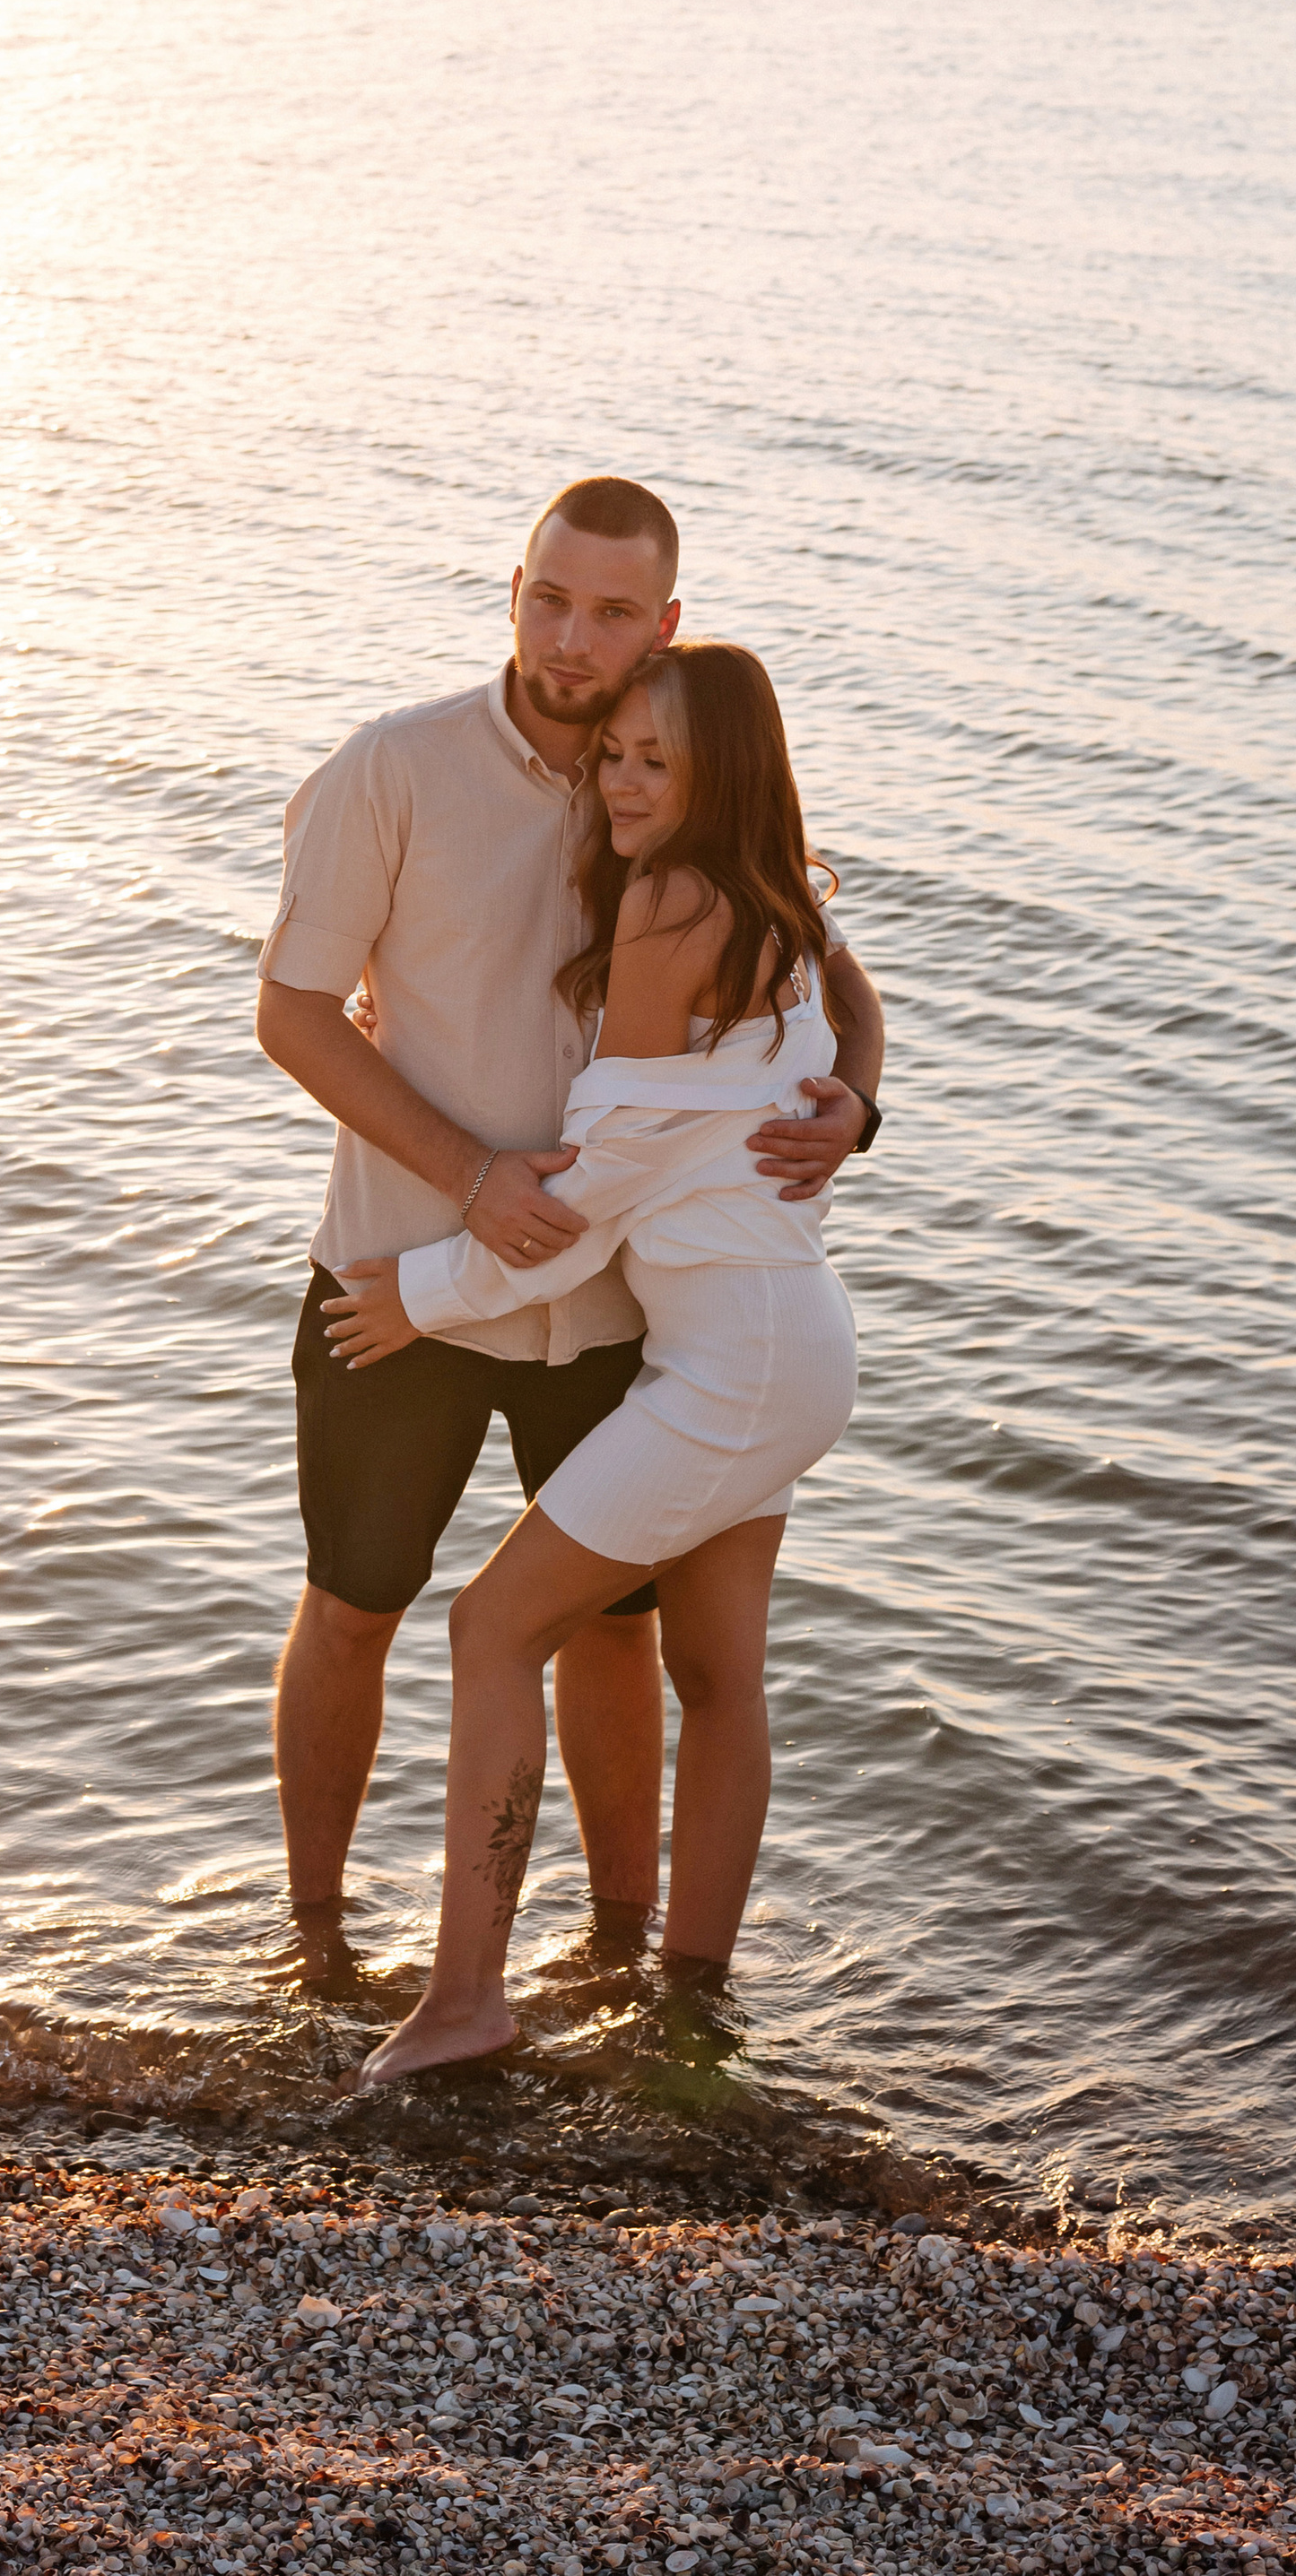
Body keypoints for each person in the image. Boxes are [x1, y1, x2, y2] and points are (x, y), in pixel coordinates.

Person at [256, 480, 883, 1951]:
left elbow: (832, 959)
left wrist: (855, 1098)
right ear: (513, 585)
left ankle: (614, 1944)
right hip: (400, 1268)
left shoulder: (678, 767)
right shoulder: (393, 767)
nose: (571, 634)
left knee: (617, 1629)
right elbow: (292, 1010)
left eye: (612, 611)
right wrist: (476, 1177)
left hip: (618, 1307)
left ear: (663, 623)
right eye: (550, 595)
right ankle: (316, 1937)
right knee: (354, 1603)